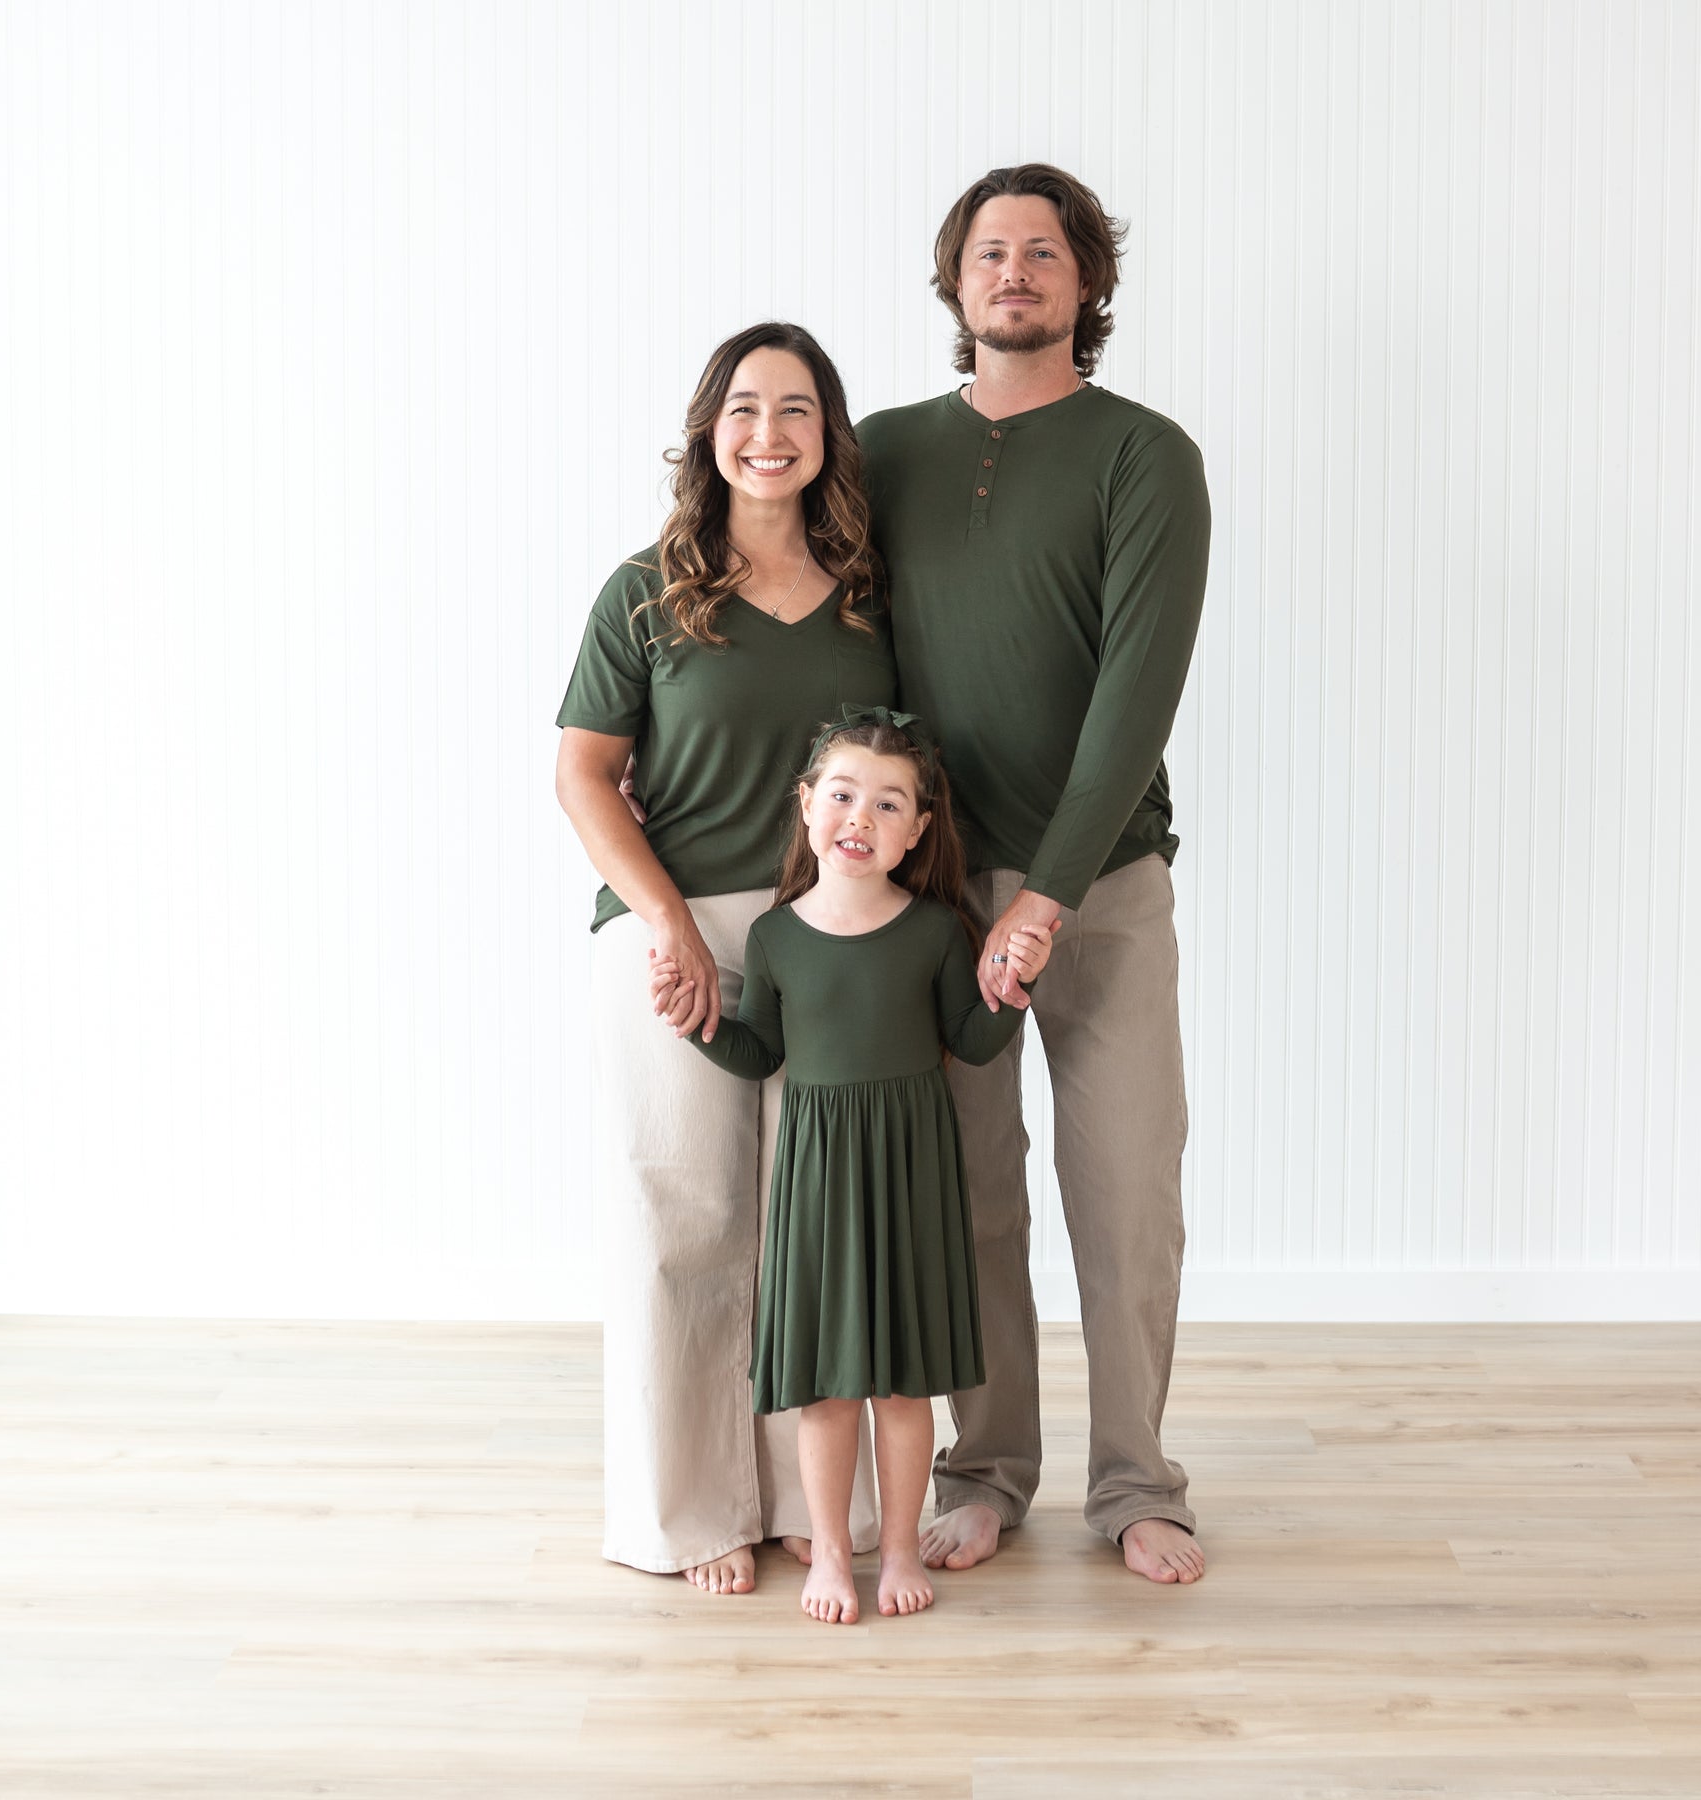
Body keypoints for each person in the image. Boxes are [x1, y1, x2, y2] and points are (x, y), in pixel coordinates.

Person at [855, 163, 1213, 1584]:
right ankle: (986, 1465)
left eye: (1045, 253)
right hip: (933, 900)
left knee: (1125, 1188)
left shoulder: (1146, 455)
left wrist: (1049, 897)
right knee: (970, 1196)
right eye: (990, 253)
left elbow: (1140, 692)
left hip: (1104, 888)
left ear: (1087, 284)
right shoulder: (880, 450)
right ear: (955, 284)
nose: (1015, 273)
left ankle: (1138, 1484)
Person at [554, 322, 894, 1594]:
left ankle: (814, 1504)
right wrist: (669, 925)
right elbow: (584, 774)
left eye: (796, 409)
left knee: (811, 1225)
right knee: (682, 1215)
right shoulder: (644, 590)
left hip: (836, 936)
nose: (768, 432)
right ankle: (689, 1513)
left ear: (827, 437)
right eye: (745, 407)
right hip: (672, 932)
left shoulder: (869, 592)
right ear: (709, 429)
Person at [650, 710, 1054, 1623]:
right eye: (841, 795)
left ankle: (901, 1548)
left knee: (905, 1386)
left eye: (888, 803)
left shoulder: (936, 933)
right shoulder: (775, 938)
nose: (859, 817)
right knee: (830, 1390)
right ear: (806, 807)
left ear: (916, 829)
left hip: (911, 1178)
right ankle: (831, 1555)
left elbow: (973, 1040)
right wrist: (699, 1023)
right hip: (820, 1184)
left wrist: (1013, 982)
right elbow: (762, 1054)